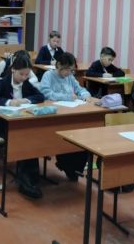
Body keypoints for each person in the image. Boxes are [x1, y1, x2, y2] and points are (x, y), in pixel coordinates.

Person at [0, 52, 45, 198]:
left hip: (20, 122)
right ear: (13, 70)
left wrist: (27, 100)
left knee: (31, 136)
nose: (24, 77)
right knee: (23, 138)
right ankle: (25, 180)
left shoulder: (26, 83)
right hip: (1, 124)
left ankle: (30, 177)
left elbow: (40, 96)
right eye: (21, 74)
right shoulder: (4, 83)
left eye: (27, 74)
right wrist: (9, 102)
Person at [40, 52, 92, 182]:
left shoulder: (70, 77)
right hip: (54, 116)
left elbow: (80, 89)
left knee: (81, 139)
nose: (69, 73)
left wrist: (85, 95)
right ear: (58, 65)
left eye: (71, 70)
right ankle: (65, 163)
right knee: (62, 139)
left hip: (70, 113)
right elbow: (46, 94)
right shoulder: (48, 75)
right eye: (67, 69)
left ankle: (73, 168)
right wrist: (67, 97)